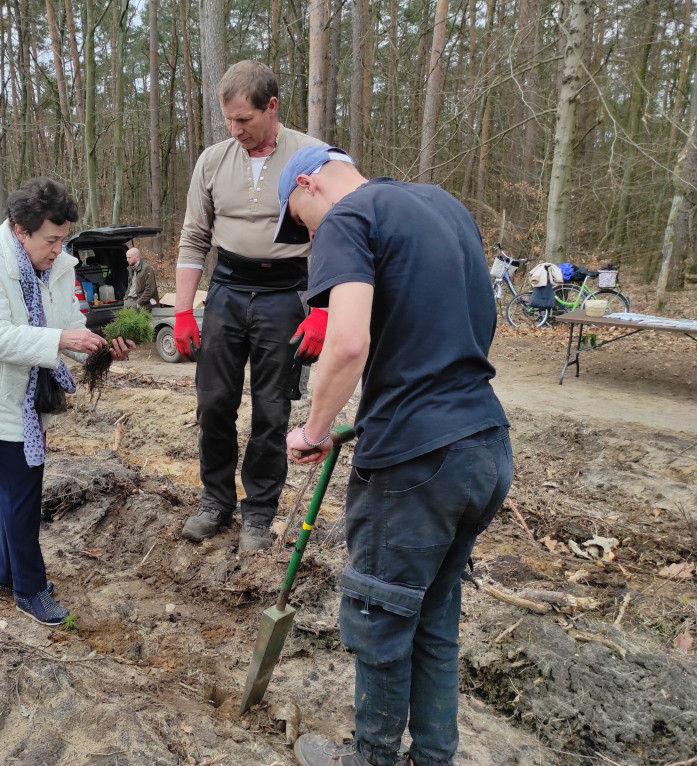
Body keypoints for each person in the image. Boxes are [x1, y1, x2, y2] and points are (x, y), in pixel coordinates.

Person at [276, 146, 513, 766]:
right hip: (484, 445)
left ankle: (372, 758)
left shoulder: (348, 218)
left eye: (299, 220)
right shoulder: (443, 206)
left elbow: (349, 342)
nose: (308, 233)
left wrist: (313, 429)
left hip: (414, 463)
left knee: (380, 618)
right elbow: (467, 322)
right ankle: (432, 757)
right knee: (433, 617)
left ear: (309, 184)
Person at [0, 177, 133, 626]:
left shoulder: (58, 268)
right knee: (24, 489)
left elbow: (68, 324)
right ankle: (29, 588)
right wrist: (61, 337)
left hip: (26, 401)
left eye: (64, 239)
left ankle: (7, 576)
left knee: (16, 489)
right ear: (20, 230)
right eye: (51, 239)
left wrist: (97, 343)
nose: (58, 249)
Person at [173, 60, 329, 554]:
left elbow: (333, 235)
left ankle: (259, 513)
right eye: (229, 121)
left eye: (245, 120)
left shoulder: (311, 156)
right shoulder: (213, 161)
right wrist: (182, 310)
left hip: (287, 293)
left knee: (272, 407)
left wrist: (323, 308)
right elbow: (194, 237)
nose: (236, 130)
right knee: (214, 401)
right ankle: (215, 501)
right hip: (227, 289)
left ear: (272, 107)